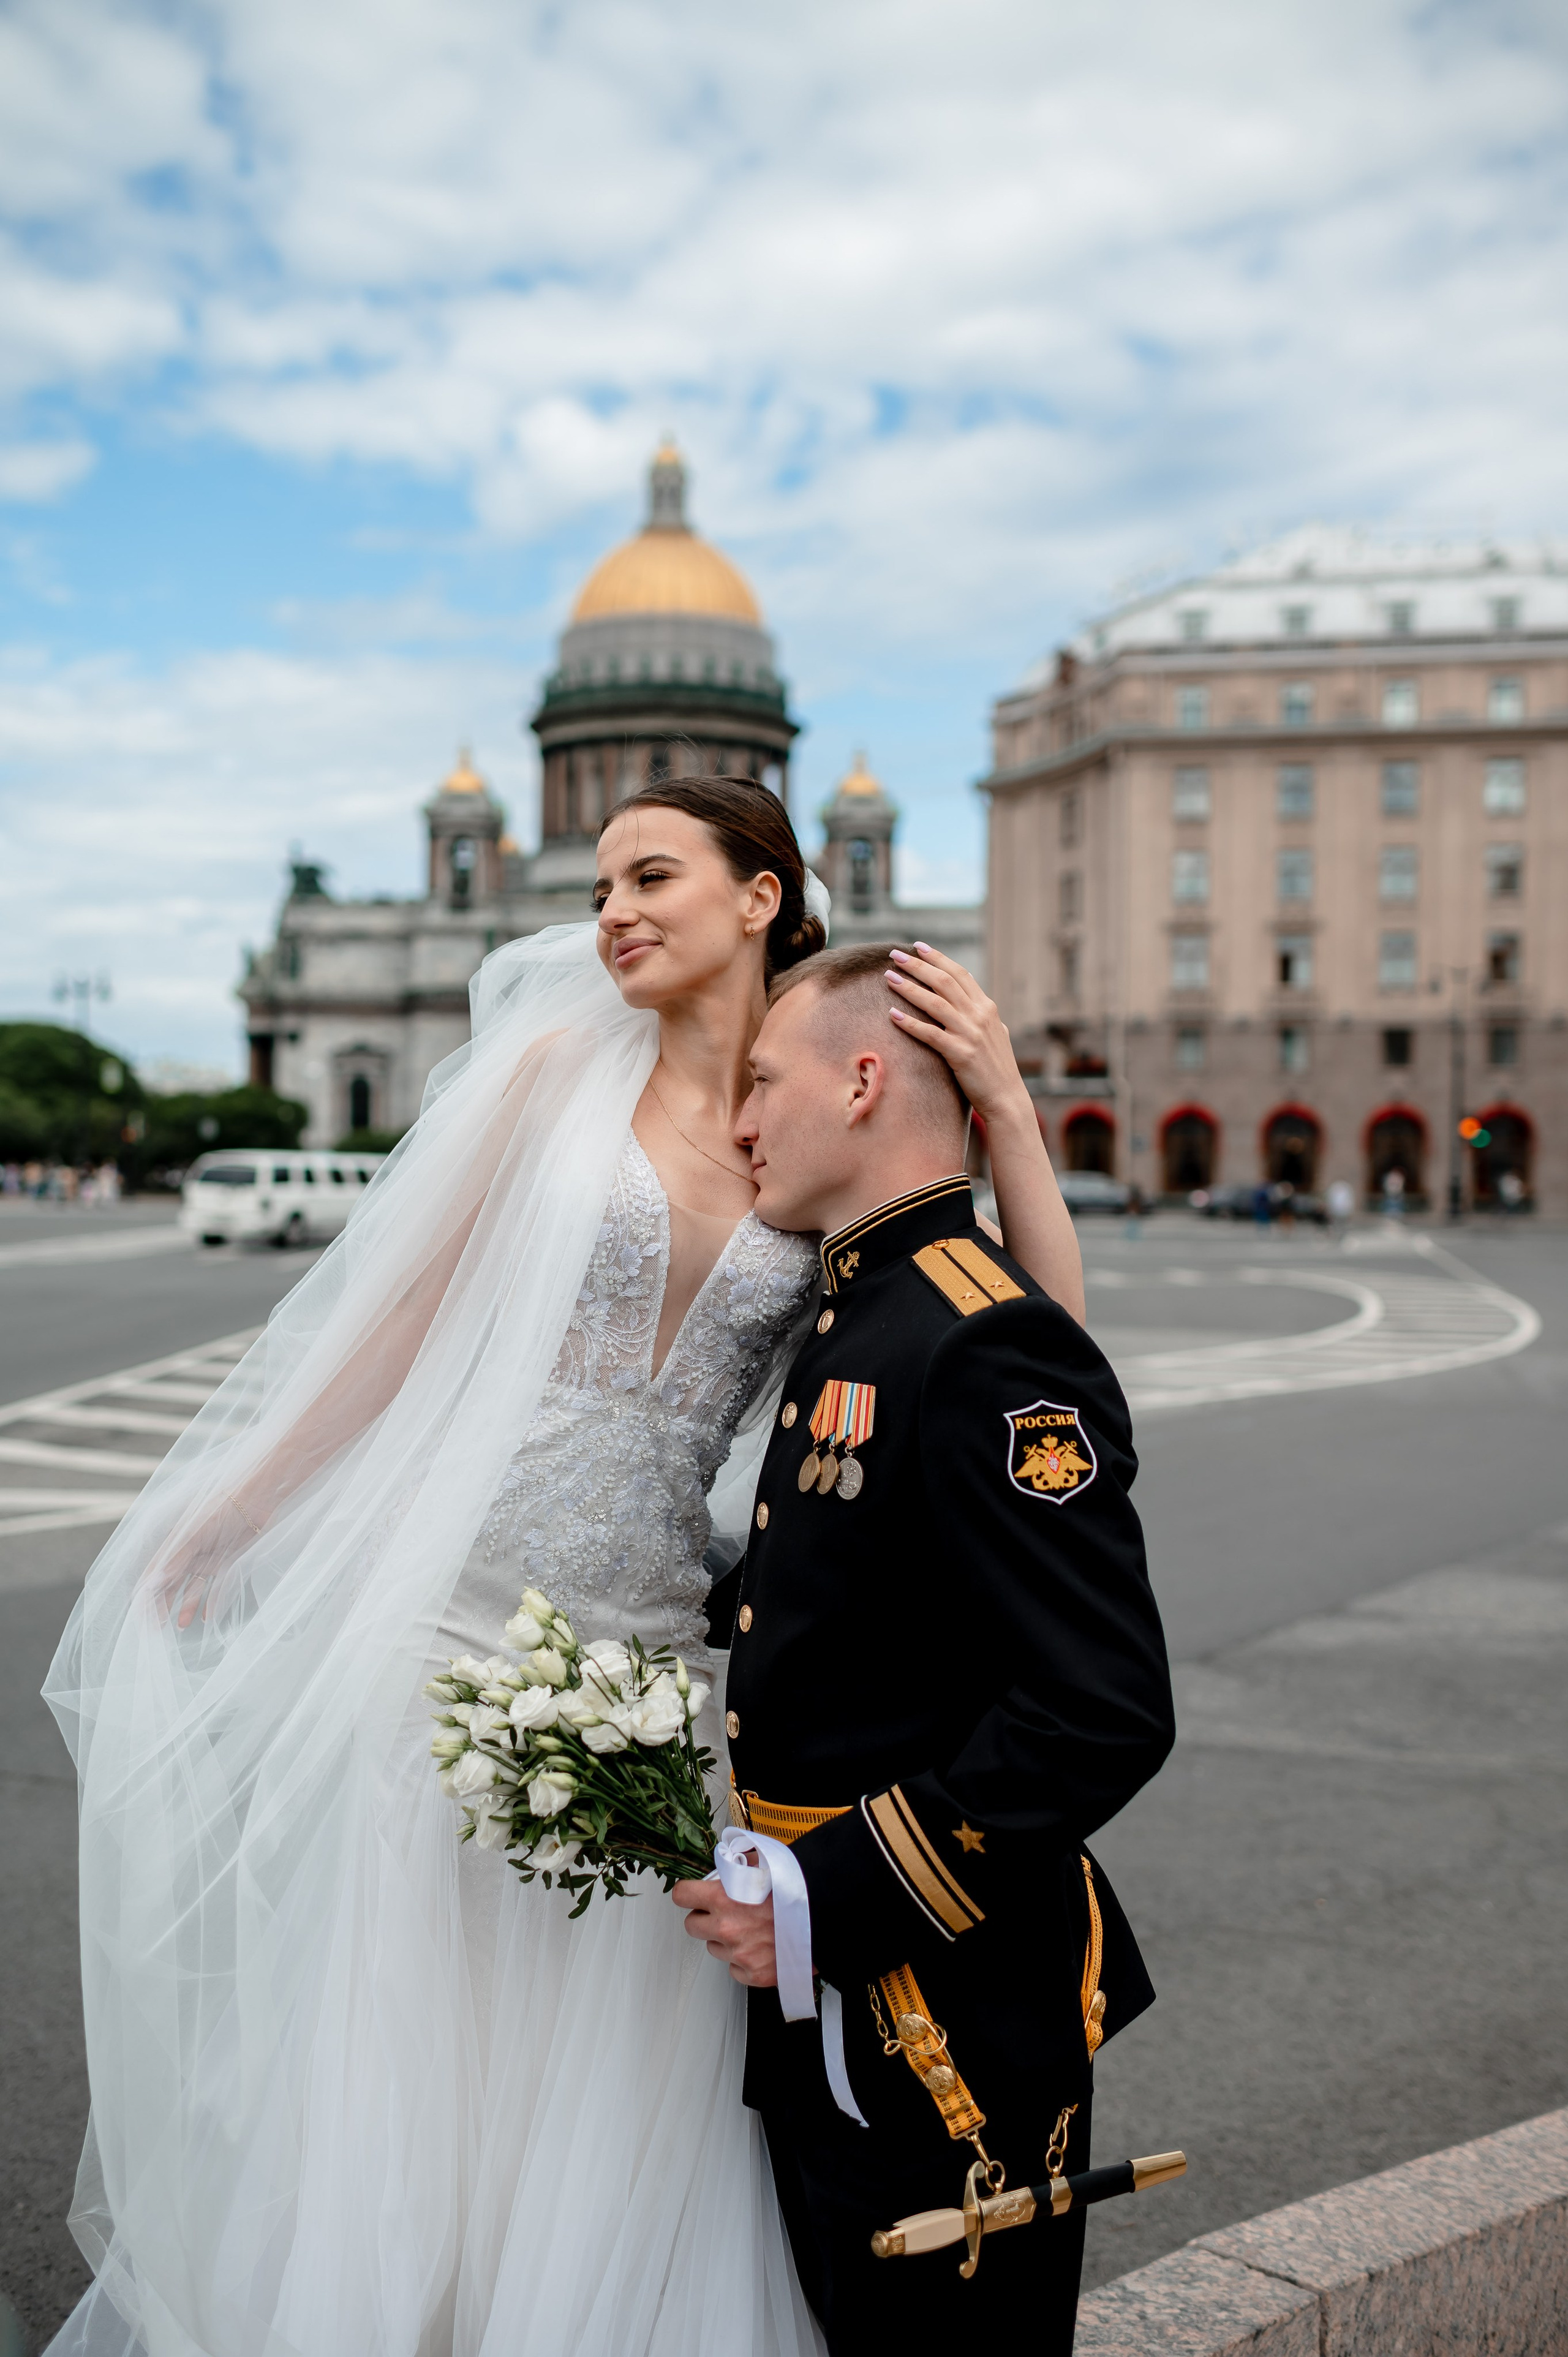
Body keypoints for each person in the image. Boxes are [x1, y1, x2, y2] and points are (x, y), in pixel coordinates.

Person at [43, 779, 1084, 2357]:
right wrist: (244, 1500)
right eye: (599, 881)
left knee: (622, 2083)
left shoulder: (808, 1113)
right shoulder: (545, 1073)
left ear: (760, 895)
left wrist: (1006, 1109)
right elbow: (406, 1314)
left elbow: (1020, 1330)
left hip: (654, 1658)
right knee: (402, 2066)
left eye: (649, 876)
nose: (609, 910)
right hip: (449, 1626)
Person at [674, 943, 1175, 2353]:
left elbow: (1101, 1707)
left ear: (863, 1077)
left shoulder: (976, 1337)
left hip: (937, 2014)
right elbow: (856, 1601)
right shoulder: (860, 1305)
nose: (743, 1120)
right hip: (838, 1986)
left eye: (762, 1082)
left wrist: (818, 1895)